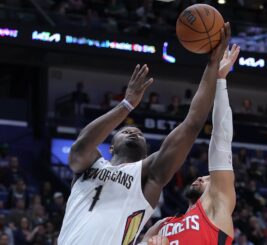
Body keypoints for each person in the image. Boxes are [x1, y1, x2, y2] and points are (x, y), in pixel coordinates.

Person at [57, 23, 231, 245]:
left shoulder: (148, 176)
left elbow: (192, 124)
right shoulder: (89, 165)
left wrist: (213, 64)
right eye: (126, 130)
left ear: (146, 151)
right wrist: (126, 105)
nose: (133, 131)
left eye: (139, 133)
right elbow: (81, 146)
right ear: (110, 146)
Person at [141, 44, 240, 245]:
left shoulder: (216, 206)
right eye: (203, 176)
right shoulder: (161, 225)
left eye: (207, 178)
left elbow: (221, 138)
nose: (200, 178)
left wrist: (220, 81)